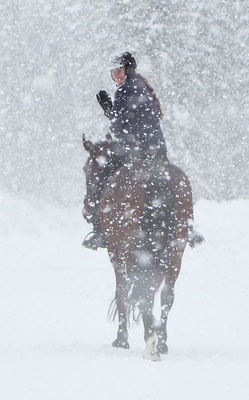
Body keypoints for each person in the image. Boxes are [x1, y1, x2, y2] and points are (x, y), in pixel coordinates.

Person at [83, 51, 204, 250]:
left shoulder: (125, 91)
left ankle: (99, 229)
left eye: (119, 71)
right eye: (113, 72)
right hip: (156, 149)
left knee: (101, 173)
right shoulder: (142, 87)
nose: (116, 76)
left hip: (135, 149)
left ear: (128, 70)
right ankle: (186, 226)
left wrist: (108, 110)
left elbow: (119, 127)